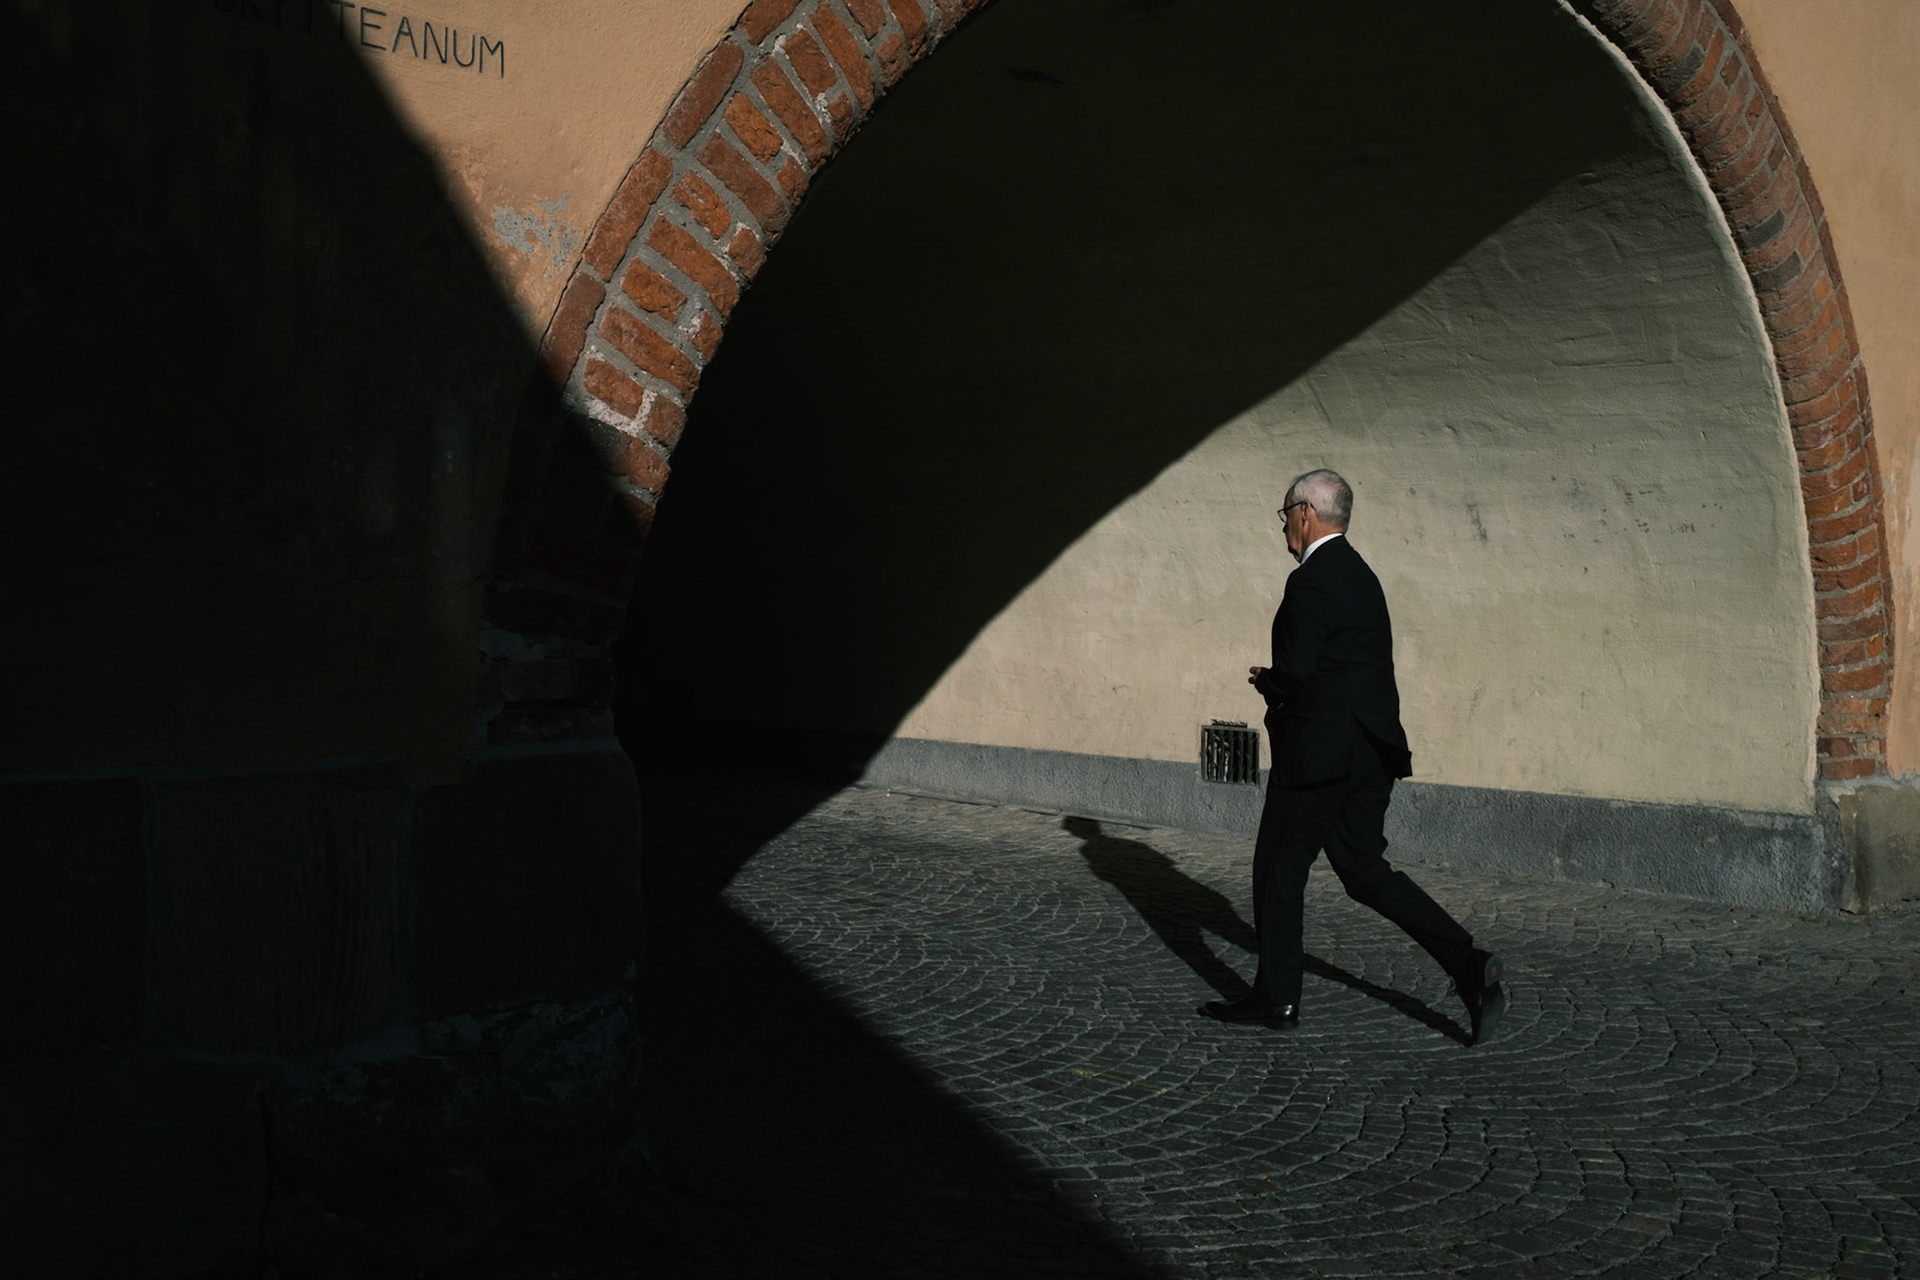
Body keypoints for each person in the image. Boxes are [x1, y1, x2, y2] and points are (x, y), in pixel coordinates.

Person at [1202, 469, 1507, 1045]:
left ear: (1305, 513)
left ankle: (1276, 998)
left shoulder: (1309, 581)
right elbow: (1352, 666)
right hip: (1370, 751)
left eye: (1285, 515)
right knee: (1365, 871)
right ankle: (1468, 962)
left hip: (1320, 756)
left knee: (1279, 871)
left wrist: (1267, 682)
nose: (1283, 529)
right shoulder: (1363, 574)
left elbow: (1298, 672)